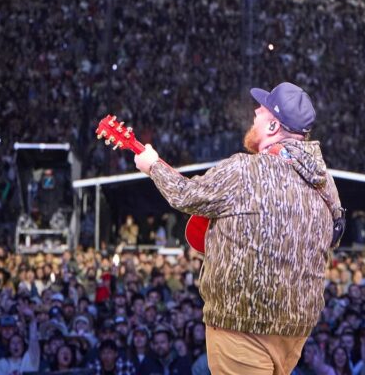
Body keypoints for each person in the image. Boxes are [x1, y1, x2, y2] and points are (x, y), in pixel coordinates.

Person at [134, 82, 343, 375]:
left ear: (272, 126)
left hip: (241, 323)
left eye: (261, 110)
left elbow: (185, 195)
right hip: (294, 331)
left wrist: (152, 166)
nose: (255, 112)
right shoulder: (325, 183)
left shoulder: (244, 170)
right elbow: (332, 235)